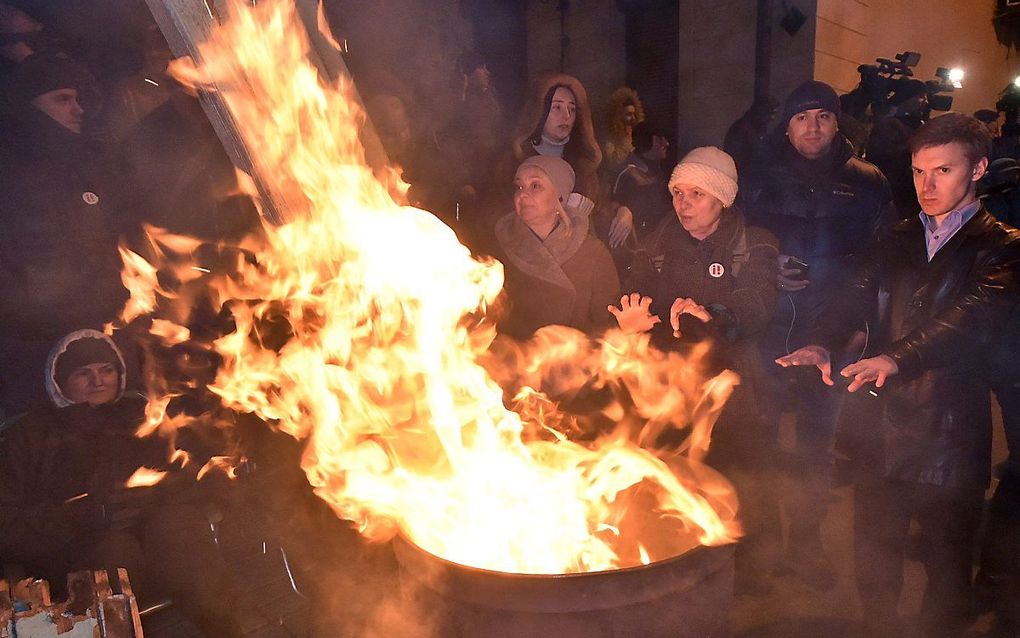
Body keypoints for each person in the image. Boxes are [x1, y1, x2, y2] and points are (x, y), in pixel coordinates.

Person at [777, 113, 1020, 636]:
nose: (926, 187)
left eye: (942, 171)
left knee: (947, 566)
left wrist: (896, 357)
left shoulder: (1002, 245)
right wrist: (823, 340)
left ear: (977, 169)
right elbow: (853, 294)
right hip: (880, 425)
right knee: (874, 557)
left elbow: (970, 317)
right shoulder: (897, 236)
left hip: (949, 432)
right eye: (917, 172)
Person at [738, 80, 895, 590]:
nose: (813, 126)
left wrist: (854, 327)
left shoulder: (868, 181)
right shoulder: (758, 176)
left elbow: (878, 261)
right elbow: (741, 242)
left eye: (823, 116)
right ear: (787, 124)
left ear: (836, 123)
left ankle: (806, 546)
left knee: (816, 444)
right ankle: (758, 549)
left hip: (832, 328)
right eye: (802, 117)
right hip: (768, 327)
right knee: (759, 436)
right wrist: (769, 269)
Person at [610, 146, 780, 593]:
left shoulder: (753, 242)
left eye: (697, 194)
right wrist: (630, 319)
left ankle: (752, 580)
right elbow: (633, 295)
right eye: (678, 192)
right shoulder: (654, 245)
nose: (683, 204)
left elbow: (760, 300)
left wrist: (713, 314)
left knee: (743, 483)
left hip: (735, 389)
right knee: (675, 480)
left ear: (722, 199)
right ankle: (679, 576)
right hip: (670, 387)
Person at [0, 329, 243, 637]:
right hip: (74, 555)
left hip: (159, 546)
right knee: (116, 551)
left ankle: (226, 630)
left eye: (106, 370)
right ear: (61, 382)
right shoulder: (29, 436)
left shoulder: (142, 415)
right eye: (83, 373)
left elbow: (186, 475)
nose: (98, 380)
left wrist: (158, 494)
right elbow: (7, 523)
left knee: (179, 526)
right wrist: (85, 514)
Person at [0, 52, 129, 420]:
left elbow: (120, 245)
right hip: (29, 354)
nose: (77, 110)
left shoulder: (90, 167)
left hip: (104, 343)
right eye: (62, 99)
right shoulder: (8, 178)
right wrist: (42, 324)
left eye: (78, 99)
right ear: (28, 106)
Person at [491, 155, 620, 339]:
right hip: (512, 361)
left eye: (535, 186)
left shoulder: (592, 253)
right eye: (519, 186)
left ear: (560, 195)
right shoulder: (496, 251)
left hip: (574, 361)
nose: (522, 194)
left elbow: (606, 324)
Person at [507, 73, 633, 250]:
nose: (566, 116)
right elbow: (499, 220)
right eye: (557, 108)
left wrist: (621, 212)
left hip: (581, 263)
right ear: (539, 111)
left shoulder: (585, 162)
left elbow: (599, 208)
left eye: (572, 109)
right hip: (530, 262)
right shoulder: (515, 164)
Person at [610, 121, 672, 240]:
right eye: (659, 139)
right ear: (647, 141)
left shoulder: (657, 170)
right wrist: (622, 210)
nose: (666, 143)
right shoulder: (627, 175)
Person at [601, 86, 645, 174]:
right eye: (628, 114)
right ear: (618, 115)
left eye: (634, 114)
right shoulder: (610, 136)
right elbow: (613, 163)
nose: (633, 118)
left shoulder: (637, 133)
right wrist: (626, 140)